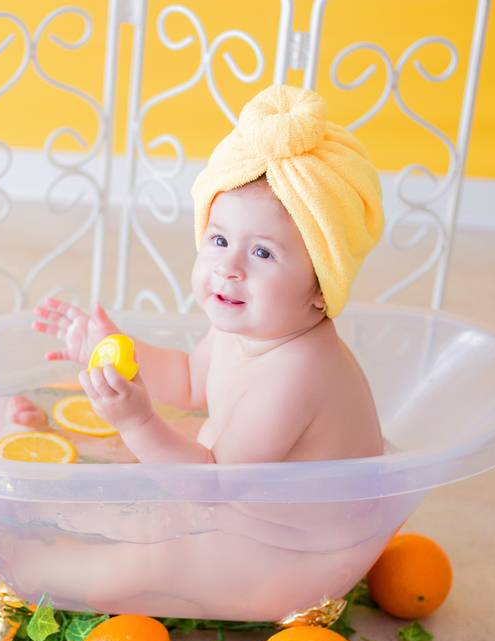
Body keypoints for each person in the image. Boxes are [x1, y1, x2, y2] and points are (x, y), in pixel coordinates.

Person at [30, 84, 386, 464]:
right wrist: (117, 348)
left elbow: (214, 486)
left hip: (297, 522)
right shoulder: (251, 325)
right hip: (237, 478)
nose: (228, 268)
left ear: (322, 287)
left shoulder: (294, 378)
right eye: (218, 240)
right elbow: (188, 380)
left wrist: (137, 422)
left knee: (138, 470)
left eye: (262, 252)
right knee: (125, 450)